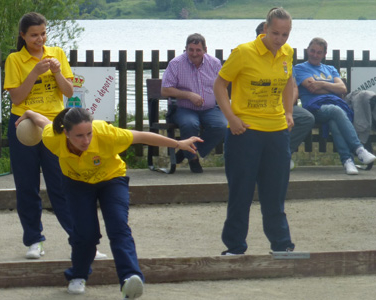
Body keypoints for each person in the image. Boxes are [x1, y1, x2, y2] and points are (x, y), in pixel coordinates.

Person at [17, 107, 201, 298]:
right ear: (66, 133)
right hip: (77, 184)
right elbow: (44, 122)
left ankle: (130, 278)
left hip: (112, 180)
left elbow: (142, 136)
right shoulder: (52, 138)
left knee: (118, 226)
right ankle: (78, 275)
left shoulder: (106, 134)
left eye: (89, 134)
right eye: (79, 136)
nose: (86, 140)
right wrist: (29, 113)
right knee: (85, 234)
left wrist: (178, 143)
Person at [4, 12, 106, 260]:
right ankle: (34, 240)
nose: (39, 39)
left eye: (42, 34)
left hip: (55, 125)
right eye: (33, 35)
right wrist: (35, 73)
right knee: (27, 186)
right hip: (23, 125)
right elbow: (16, 98)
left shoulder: (57, 54)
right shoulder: (15, 59)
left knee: (62, 185)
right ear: (23, 36)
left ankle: (81, 241)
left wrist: (58, 72)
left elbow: (69, 92)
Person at [213, 7, 296, 255]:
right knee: (242, 192)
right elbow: (219, 85)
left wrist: (289, 112)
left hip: (277, 132)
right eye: (275, 33)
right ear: (264, 29)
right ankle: (235, 246)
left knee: (275, 193)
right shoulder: (243, 52)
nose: (279, 39)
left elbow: (288, 82)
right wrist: (231, 118)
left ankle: (282, 246)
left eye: (285, 34)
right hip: (244, 132)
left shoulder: (287, 52)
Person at [294, 37, 376, 174]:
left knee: (334, 118)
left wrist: (321, 83)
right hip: (313, 108)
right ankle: (358, 149)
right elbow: (312, 89)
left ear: (324, 54)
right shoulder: (300, 68)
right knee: (336, 110)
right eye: (312, 51)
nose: (315, 55)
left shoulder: (330, 69)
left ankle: (347, 161)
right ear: (308, 50)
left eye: (319, 52)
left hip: (333, 107)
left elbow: (342, 89)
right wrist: (332, 87)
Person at [161, 33, 227, 173]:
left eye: (198, 50)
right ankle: (193, 159)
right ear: (185, 49)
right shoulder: (176, 64)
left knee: (222, 126)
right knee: (190, 124)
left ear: (205, 49)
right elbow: (165, 90)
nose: (194, 53)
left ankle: (187, 151)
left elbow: (222, 86)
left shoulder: (214, 63)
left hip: (210, 108)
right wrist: (188, 95)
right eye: (191, 49)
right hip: (184, 108)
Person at [256, 21, 315, 170]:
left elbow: (293, 86)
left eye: (282, 35)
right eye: (273, 34)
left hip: (283, 105)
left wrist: (287, 107)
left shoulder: (285, 56)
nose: (276, 40)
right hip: (261, 107)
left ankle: (283, 153)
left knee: (306, 118)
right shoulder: (252, 57)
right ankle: (266, 155)